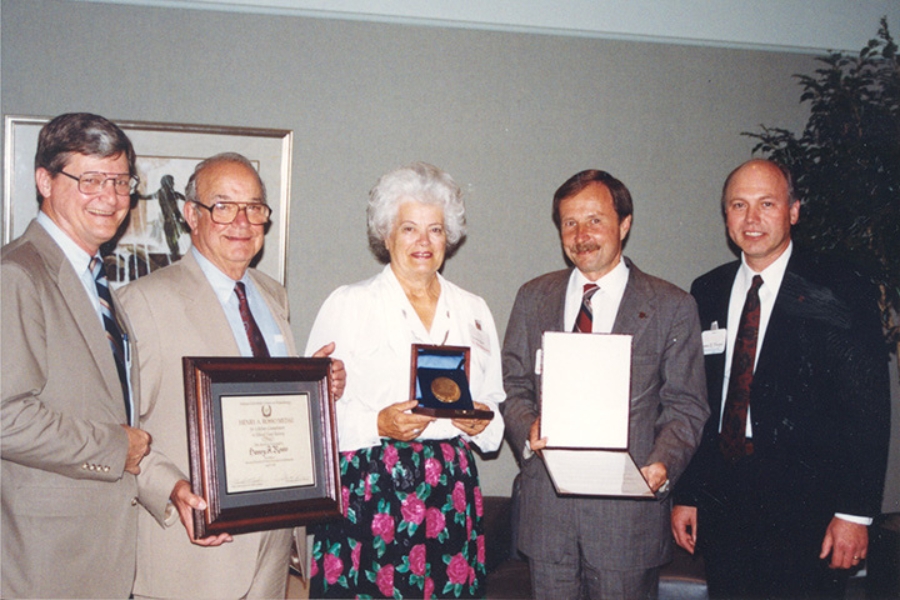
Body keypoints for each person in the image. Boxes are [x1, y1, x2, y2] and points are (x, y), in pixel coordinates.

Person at [118, 152, 345, 599]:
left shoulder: (271, 295)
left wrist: (319, 387)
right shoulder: (142, 302)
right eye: (223, 206)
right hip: (191, 555)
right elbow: (117, 427)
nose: (241, 222)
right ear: (191, 214)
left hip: (274, 549)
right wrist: (170, 490)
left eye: (254, 208)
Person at [671, 159, 891, 598]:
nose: (751, 219)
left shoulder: (839, 287)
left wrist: (855, 512)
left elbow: (867, 407)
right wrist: (688, 492)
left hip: (808, 510)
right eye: (738, 205)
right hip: (725, 504)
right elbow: (698, 401)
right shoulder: (706, 291)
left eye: (766, 204)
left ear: (793, 211)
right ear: (726, 216)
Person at [502, 169, 709, 599]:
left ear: (625, 224)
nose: (581, 235)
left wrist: (663, 464)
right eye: (569, 223)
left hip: (626, 521)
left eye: (595, 220)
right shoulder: (532, 297)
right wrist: (528, 429)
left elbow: (686, 406)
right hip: (548, 519)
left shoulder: (672, 306)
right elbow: (513, 385)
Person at [304, 162, 505, 598]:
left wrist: (483, 421)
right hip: (372, 487)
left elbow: (493, 408)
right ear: (386, 234)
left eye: (435, 230)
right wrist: (377, 424)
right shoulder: (349, 304)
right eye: (409, 228)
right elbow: (310, 411)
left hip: (450, 490)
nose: (423, 242)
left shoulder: (474, 309)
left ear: (448, 236)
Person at [1, 112, 153, 598]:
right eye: (90, 180)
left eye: (120, 180)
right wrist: (115, 447)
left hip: (99, 552)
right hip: (47, 559)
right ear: (45, 180)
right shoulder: (19, 274)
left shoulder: (95, 279)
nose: (110, 198)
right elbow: (5, 417)